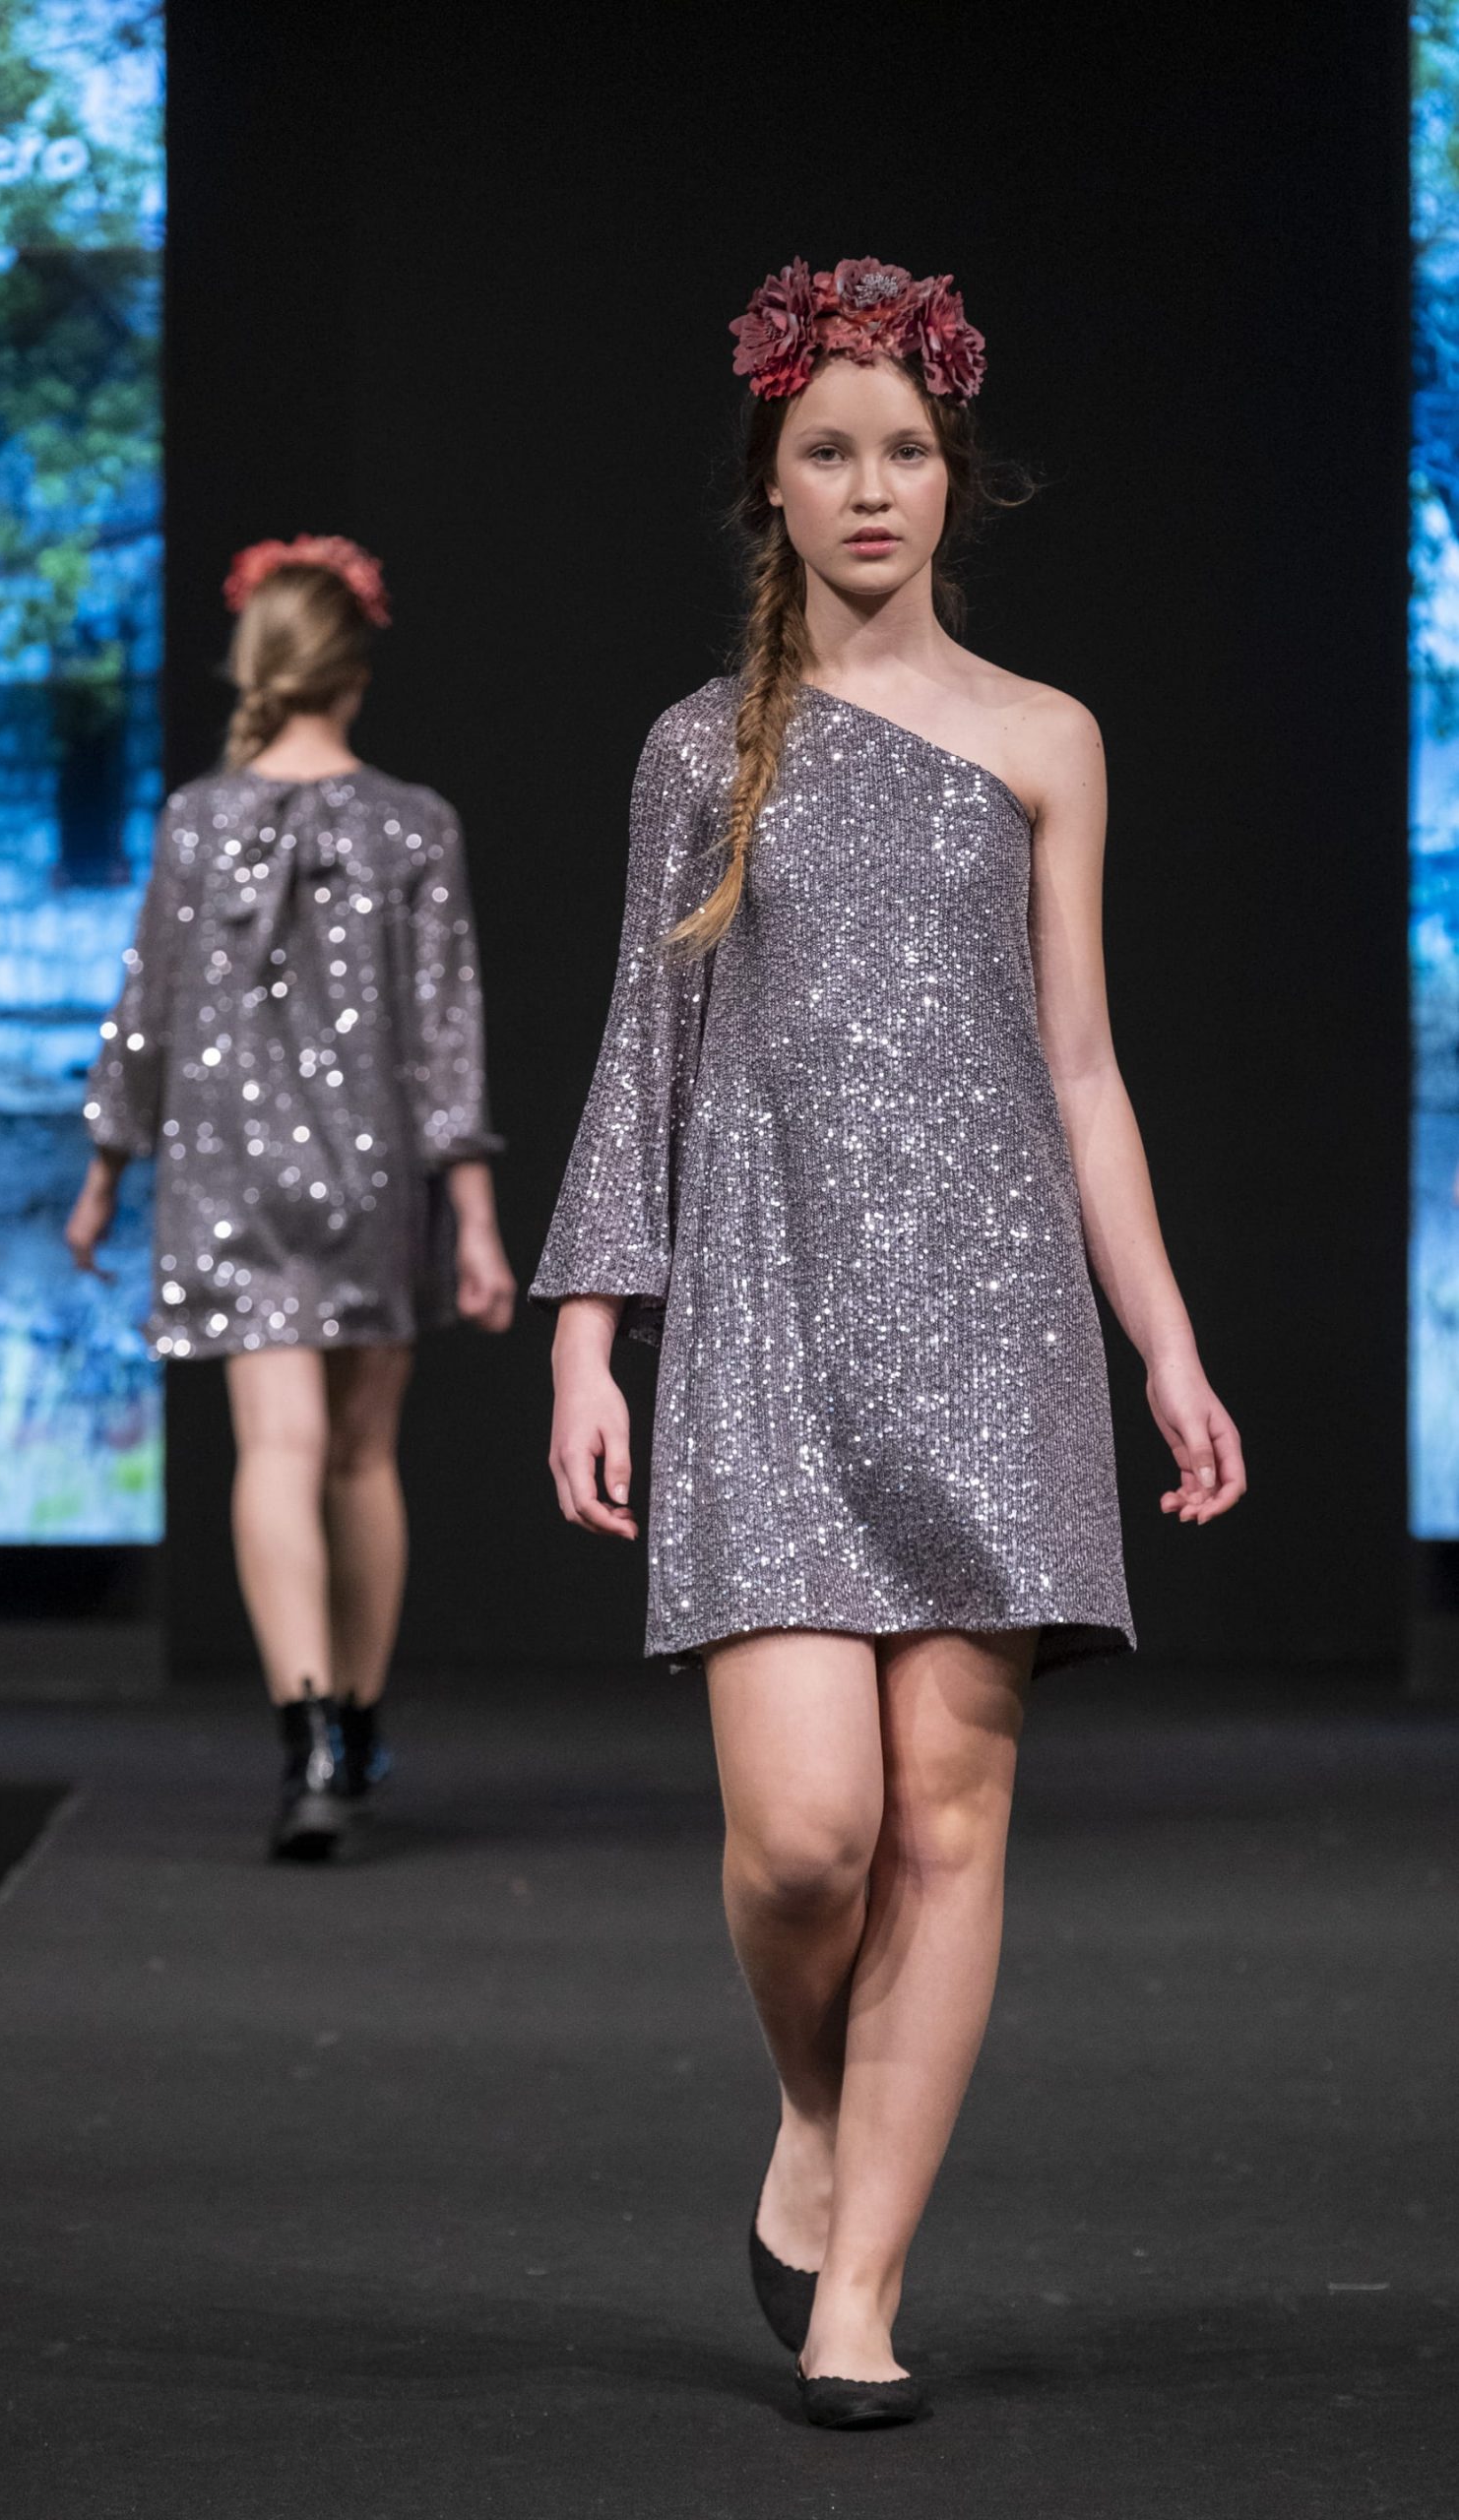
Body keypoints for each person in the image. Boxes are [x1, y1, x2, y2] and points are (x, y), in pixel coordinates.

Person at [533, 257, 1246, 2428]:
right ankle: (812, 2109)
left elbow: (1083, 1070)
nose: (868, 487)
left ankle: (859, 2291)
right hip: (764, 1327)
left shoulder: (1045, 739)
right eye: (826, 451)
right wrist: (586, 1339)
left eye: (904, 451)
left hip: (995, 1326)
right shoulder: (697, 749)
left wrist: (1163, 1343)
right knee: (803, 1841)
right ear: (769, 480)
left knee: (947, 1814)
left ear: (955, 478)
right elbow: (643, 1054)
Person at [67, 536, 513, 1858]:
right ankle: (355, 1727)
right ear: (356, 667)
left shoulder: (195, 820)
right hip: (371, 1176)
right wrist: (475, 1218)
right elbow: (446, 1034)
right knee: (363, 1455)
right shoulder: (413, 821)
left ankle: (307, 1734)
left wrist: (104, 1172)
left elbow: (143, 1015)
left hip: (226, 1174)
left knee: (278, 1449)